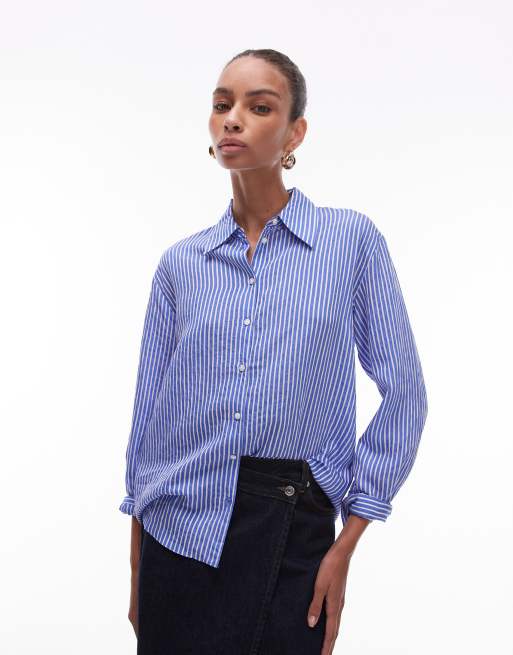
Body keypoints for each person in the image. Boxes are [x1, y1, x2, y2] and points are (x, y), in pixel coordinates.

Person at [119, 48, 428, 655]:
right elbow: (148, 421)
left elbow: (406, 394)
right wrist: (137, 568)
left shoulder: (350, 242)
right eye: (222, 104)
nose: (233, 118)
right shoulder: (181, 265)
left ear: (295, 133)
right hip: (176, 535)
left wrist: (347, 541)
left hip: (293, 525)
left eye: (259, 107)